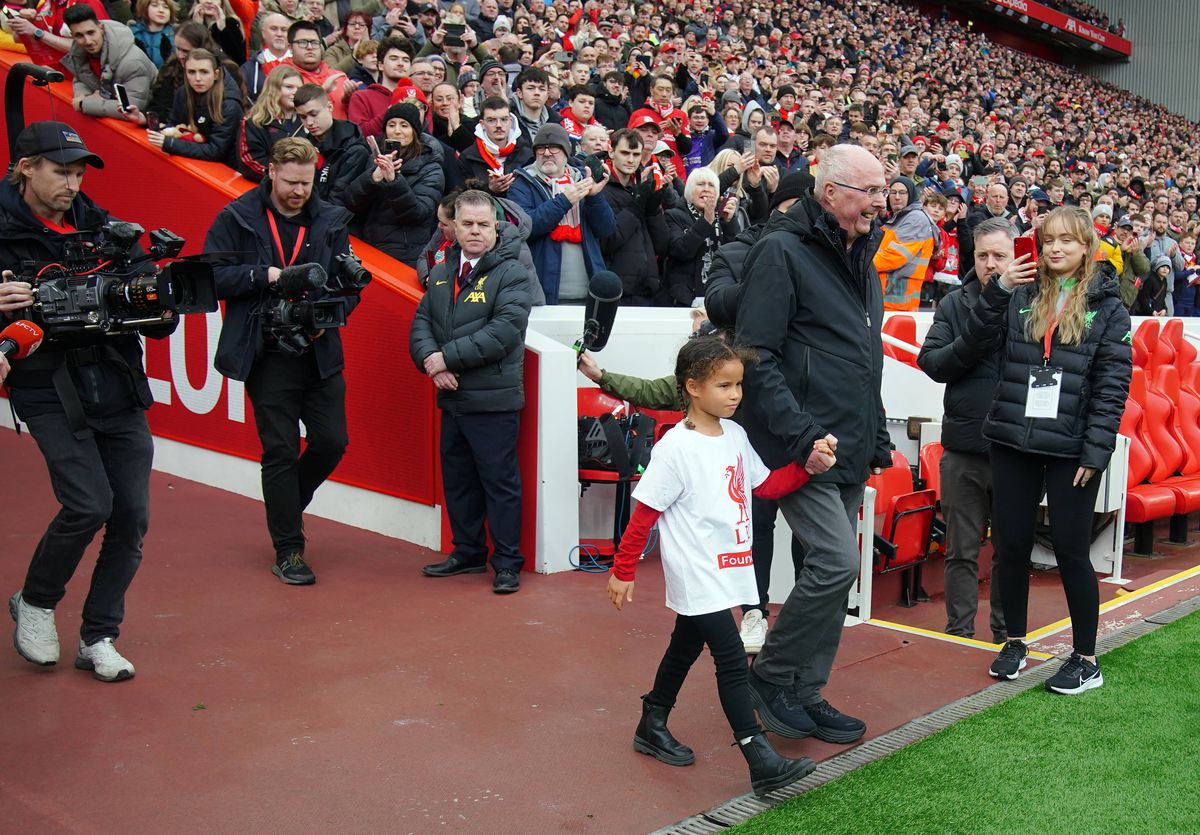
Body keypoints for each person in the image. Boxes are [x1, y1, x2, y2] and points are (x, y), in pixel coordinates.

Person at [605, 336, 830, 798]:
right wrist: (622, 569)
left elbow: (765, 487)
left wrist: (807, 466)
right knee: (731, 659)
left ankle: (653, 720)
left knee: (685, 647)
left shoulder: (736, 436)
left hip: (731, 569)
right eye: (724, 386)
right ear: (692, 387)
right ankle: (759, 756)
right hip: (697, 571)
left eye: (738, 385)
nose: (735, 395)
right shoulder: (674, 449)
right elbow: (644, 513)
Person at [1, 122, 176, 682]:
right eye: (61, 171)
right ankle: (36, 600)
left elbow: (153, 312)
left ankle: (99, 634)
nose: (72, 183)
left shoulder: (104, 229)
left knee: (131, 515)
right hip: (45, 386)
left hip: (116, 382)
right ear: (26, 168)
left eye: (78, 173)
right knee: (88, 504)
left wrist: (153, 298)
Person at [736, 144, 889, 743]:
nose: (883, 200)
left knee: (831, 572)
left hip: (848, 444)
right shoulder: (780, 250)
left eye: (884, 189)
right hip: (797, 446)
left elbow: (865, 359)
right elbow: (756, 355)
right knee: (836, 562)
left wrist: (876, 435)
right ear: (831, 193)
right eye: (871, 191)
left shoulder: (862, 257)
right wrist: (802, 438)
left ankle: (805, 690)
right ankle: (772, 678)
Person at [969, 206, 1131, 694]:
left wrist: (1095, 453)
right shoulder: (1020, 293)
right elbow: (976, 341)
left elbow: (1111, 387)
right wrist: (997, 292)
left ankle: (1086, 658)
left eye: (1067, 240)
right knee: (1012, 545)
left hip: (1071, 449)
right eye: (1048, 240)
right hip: (1014, 439)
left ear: (1087, 248)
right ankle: (1014, 641)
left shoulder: (1109, 307)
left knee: (1070, 550)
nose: (1055, 249)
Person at [204, 137, 359, 585]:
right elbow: (211, 276)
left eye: (307, 183)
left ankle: (287, 501)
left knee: (333, 441)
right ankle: (289, 549)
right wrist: (269, 276)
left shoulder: (330, 219)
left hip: (319, 348)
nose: (298, 191)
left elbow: (349, 285)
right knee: (280, 450)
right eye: (291, 182)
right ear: (270, 171)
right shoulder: (236, 217)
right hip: (265, 351)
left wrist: (330, 311)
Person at [410, 189, 533, 594]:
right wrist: (432, 361)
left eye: (483, 224)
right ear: (454, 227)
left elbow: (503, 332)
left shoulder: (512, 272)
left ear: (496, 227)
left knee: (499, 483)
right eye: (467, 224)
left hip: (494, 400)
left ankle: (507, 562)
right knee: (459, 480)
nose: (475, 231)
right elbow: (423, 319)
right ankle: (467, 551)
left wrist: (446, 359)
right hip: (453, 395)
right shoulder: (443, 265)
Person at [916, 217, 1013, 644]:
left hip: (1015, 451)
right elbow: (933, 364)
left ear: (1016, 255)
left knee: (1011, 553)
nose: (991, 264)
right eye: (983, 255)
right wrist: (974, 335)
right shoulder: (956, 304)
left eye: (999, 255)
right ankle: (958, 634)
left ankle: (1009, 636)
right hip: (963, 449)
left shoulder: (1033, 301)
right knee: (960, 552)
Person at [507, 123, 615, 304]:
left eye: (554, 148)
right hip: (543, 295)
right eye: (541, 149)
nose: (547, 153)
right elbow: (525, 227)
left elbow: (606, 229)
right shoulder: (522, 183)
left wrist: (594, 198)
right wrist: (564, 201)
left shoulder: (583, 180)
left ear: (566, 152)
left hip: (589, 294)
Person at [343, 103, 444, 267]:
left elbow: (418, 214)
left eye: (404, 125)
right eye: (391, 125)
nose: (397, 131)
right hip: (367, 249)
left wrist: (393, 181)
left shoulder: (430, 167)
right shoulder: (374, 159)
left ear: (415, 132)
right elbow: (350, 202)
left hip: (404, 254)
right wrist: (373, 178)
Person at [598, 128, 669, 306]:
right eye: (625, 153)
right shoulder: (600, 189)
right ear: (611, 152)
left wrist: (652, 207)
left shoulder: (640, 188)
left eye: (636, 154)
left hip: (647, 289)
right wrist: (637, 203)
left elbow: (662, 245)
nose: (631, 160)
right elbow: (609, 240)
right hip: (616, 291)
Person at [148, 48, 245, 167]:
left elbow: (216, 151)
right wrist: (159, 130)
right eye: (191, 72)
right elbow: (173, 124)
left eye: (204, 72)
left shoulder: (229, 105)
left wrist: (171, 144)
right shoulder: (182, 93)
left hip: (223, 171)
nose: (197, 78)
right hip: (190, 162)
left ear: (216, 74)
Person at [61, 4, 158, 118]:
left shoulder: (132, 62)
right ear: (72, 36)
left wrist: (85, 104)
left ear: (101, 28)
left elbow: (131, 109)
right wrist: (82, 95)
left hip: (152, 121)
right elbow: (81, 78)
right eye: (79, 35)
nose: (88, 41)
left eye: (91, 33)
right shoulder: (79, 53)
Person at [663, 167, 739, 307]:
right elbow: (680, 251)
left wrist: (730, 223)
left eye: (711, 185)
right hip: (685, 299)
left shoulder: (722, 219)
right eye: (700, 184)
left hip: (718, 295)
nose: (706, 189)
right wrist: (706, 222)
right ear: (689, 190)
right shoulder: (673, 215)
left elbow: (735, 255)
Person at [293, 83, 370, 206]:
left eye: (313, 114)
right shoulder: (302, 144)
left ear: (329, 107)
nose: (309, 122)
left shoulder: (354, 149)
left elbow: (339, 200)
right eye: (302, 117)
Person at [876, 177, 938, 311]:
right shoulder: (899, 218)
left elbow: (892, 258)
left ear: (911, 195)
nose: (897, 197)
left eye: (902, 193)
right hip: (886, 299)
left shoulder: (915, 219)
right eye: (893, 192)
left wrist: (860, 264)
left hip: (897, 302)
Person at [237, 64, 303, 181]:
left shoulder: (307, 121)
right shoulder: (254, 122)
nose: (295, 92)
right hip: (267, 189)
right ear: (274, 89)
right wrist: (285, 178)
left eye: (299, 88)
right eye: (289, 87)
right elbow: (250, 162)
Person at [283, 19, 356, 120]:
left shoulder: (339, 76)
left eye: (314, 42)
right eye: (303, 42)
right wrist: (322, 91)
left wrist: (348, 100)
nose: (310, 47)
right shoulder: (282, 78)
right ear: (290, 48)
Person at [458, 96, 532, 194]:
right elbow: (462, 196)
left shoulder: (527, 154)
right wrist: (489, 190)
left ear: (511, 121)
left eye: (504, 119)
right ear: (482, 124)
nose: (499, 125)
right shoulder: (467, 157)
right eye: (491, 120)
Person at [346, 37, 410, 137]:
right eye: (394, 58)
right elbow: (359, 134)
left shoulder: (415, 97)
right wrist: (392, 110)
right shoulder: (361, 97)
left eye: (406, 60)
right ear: (380, 65)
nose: (401, 63)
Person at [241, 11, 292, 101]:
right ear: (263, 33)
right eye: (274, 29)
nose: (279, 34)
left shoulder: (301, 63)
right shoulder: (248, 69)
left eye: (284, 30)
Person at [129, 0, 177, 69]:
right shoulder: (132, 33)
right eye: (155, 5)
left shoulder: (176, 36)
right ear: (145, 8)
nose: (161, 10)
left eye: (166, 7)